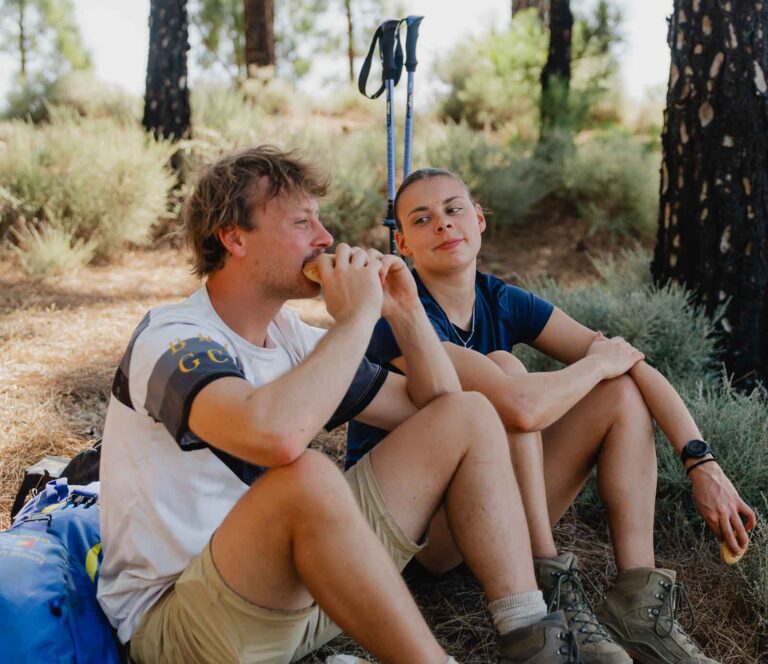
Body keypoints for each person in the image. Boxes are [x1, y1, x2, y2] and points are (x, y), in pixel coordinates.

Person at [96, 147, 579, 664]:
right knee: (307, 475)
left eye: (319, 221)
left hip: (299, 598)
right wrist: (355, 320)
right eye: (302, 223)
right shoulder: (171, 338)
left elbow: (444, 413)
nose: (325, 239)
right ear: (234, 238)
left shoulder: (290, 337)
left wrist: (406, 313)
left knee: (472, 412)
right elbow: (275, 436)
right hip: (188, 627)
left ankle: (531, 635)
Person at [347, 167, 757, 664]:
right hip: (418, 537)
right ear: (404, 244)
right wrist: (597, 362)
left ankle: (639, 602)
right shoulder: (400, 313)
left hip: (492, 520)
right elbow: (522, 408)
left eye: (454, 209)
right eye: (422, 218)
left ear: (479, 220)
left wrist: (701, 462)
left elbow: (630, 363)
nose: (443, 224)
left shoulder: (499, 298)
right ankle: (549, 586)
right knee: (509, 371)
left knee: (620, 393)